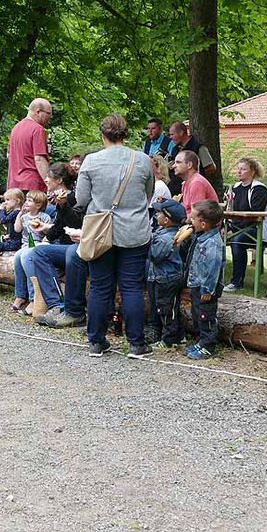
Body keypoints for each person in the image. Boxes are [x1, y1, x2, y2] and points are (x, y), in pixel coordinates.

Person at [76, 114, 154, 358]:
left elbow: (81, 200)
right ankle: (136, 344)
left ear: (103, 134)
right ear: (125, 133)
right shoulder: (142, 160)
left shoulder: (91, 161)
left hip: (101, 232)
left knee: (100, 286)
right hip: (135, 232)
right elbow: (148, 194)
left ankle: (96, 342)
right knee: (131, 287)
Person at [27, 163, 90, 329]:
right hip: (64, 245)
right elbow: (58, 226)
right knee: (37, 252)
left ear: (59, 180)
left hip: (78, 247)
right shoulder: (59, 198)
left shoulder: (74, 198)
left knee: (40, 252)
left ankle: (60, 305)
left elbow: (75, 224)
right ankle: (54, 305)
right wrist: (46, 238)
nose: (46, 179)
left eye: (49, 177)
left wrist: (63, 206)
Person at [184, 200, 226, 360]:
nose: (189, 220)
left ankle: (208, 346)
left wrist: (208, 290)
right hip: (197, 284)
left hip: (206, 289)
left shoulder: (212, 243)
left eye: (193, 218)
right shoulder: (200, 235)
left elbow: (212, 269)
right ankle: (201, 341)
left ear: (203, 223)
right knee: (197, 314)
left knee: (206, 316)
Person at [224, 157, 267, 292]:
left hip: (258, 229)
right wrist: (228, 227)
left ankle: (237, 282)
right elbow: (229, 210)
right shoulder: (234, 188)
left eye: (243, 169)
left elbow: (255, 215)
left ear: (253, 172)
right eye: (238, 169)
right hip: (238, 227)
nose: (239, 172)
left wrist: (234, 228)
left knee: (237, 241)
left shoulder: (259, 189)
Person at [146, 198, 187, 348]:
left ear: (167, 220)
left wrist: (148, 244)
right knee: (171, 307)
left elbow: (155, 256)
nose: (157, 216)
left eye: (160, 214)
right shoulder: (165, 232)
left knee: (166, 309)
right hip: (164, 277)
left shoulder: (166, 238)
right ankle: (179, 336)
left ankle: (169, 339)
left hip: (167, 278)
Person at [10, 190, 53, 315]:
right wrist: (19, 215)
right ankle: (20, 295)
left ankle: (33, 298)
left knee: (25, 257)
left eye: (30, 200)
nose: (26, 202)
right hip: (25, 245)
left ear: (38, 205)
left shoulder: (44, 217)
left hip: (38, 244)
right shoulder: (24, 217)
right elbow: (17, 229)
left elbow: (49, 234)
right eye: (26, 199)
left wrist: (43, 232)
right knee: (18, 256)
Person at [6, 98, 52, 192]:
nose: (50, 117)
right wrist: (49, 183)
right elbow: (39, 159)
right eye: (48, 113)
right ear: (38, 111)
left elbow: (8, 155)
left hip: (13, 186)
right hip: (32, 186)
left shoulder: (15, 128)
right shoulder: (38, 129)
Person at [167, 122, 215, 195]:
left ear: (181, 133)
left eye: (172, 134)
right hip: (176, 191)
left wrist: (195, 177)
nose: (170, 137)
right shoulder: (175, 149)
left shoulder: (198, 148)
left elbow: (211, 168)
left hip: (194, 189)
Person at [174, 150, 218, 215]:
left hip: (204, 223)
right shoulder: (186, 183)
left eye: (178, 162)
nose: (173, 166)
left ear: (189, 165)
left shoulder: (197, 183)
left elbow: (197, 214)